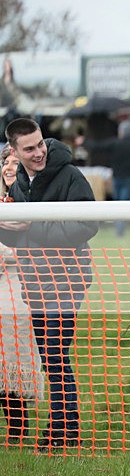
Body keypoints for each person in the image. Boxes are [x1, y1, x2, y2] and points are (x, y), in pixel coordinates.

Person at [0, 118, 98, 451]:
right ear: (14, 151)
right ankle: (65, 428)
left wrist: (32, 227)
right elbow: (15, 235)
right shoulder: (17, 185)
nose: (39, 152)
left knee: (55, 356)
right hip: (34, 282)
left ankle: (61, 432)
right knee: (52, 358)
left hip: (67, 280)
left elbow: (88, 225)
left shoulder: (70, 175)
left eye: (40, 144)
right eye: (29, 148)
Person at [0, 144, 44, 441]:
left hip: (16, 284)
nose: (7, 167)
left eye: (15, 164)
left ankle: (17, 427)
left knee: (13, 357)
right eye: (5, 162)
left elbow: (33, 243)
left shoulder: (31, 204)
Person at [78, 120, 130, 235]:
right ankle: (120, 230)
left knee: (117, 204)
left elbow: (97, 146)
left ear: (121, 132)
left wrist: (84, 142)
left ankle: (119, 231)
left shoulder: (115, 143)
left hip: (117, 179)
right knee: (123, 204)